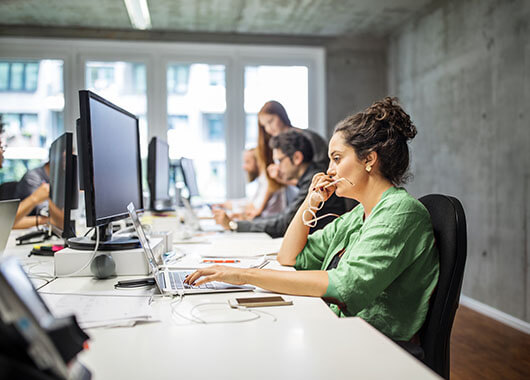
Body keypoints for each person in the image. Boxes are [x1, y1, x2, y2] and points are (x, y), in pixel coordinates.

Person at [186, 97, 440, 342]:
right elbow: (289, 257)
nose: (329, 170)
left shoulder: (400, 212)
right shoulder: (357, 216)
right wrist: (311, 201)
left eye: (337, 159)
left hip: (372, 342)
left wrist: (244, 276)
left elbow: (344, 287)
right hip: (342, 327)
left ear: (369, 160)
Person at [212, 130, 345, 238]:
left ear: (297, 158)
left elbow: (284, 223)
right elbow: (284, 216)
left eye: (279, 161)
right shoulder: (307, 179)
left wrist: (235, 225)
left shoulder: (315, 181)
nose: (276, 167)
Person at [0, 120, 49, 229]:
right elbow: (3, 223)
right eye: (1, 146)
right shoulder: (33, 177)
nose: (3, 151)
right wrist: (35, 198)